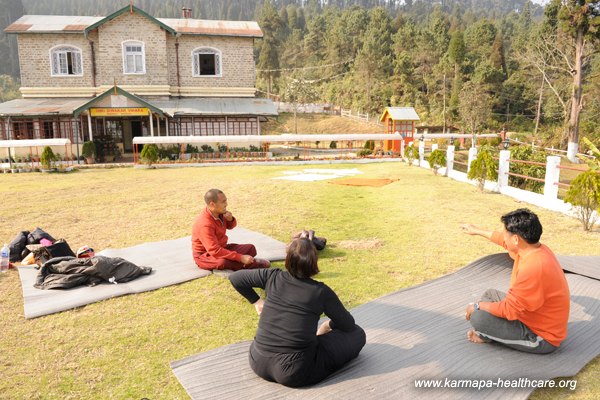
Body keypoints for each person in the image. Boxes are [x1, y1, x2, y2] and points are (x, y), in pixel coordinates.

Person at [229, 238, 366, 387]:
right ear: (314, 262)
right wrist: (329, 324)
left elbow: (236, 278)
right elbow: (348, 325)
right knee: (358, 334)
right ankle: (322, 332)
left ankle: (317, 338)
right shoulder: (320, 292)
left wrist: (256, 301)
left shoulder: (272, 276)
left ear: (288, 259)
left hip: (257, 359)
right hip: (292, 371)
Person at [461, 208, 570, 354]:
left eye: (506, 234)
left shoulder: (534, 267)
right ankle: (490, 332)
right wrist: (477, 230)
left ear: (516, 239)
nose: (504, 238)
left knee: (478, 317)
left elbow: (509, 309)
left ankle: (487, 334)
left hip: (541, 337)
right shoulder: (533, 248)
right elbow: (503, 241)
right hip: (529, 314)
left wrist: (477, 306)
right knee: (491, 294)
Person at [192, 189, 270, 271]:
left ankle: (240, 263)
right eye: (223, 202)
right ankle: (253, 264)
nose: (226, 204)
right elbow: (214, 250)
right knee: (222, 262)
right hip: (205, 255)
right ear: (212, 204)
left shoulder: (219, 212)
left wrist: (230, 219)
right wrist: (240, 257)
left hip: (222, 248)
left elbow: (230, 226)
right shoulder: (204, 224)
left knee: (251, 248)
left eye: (226, 201)